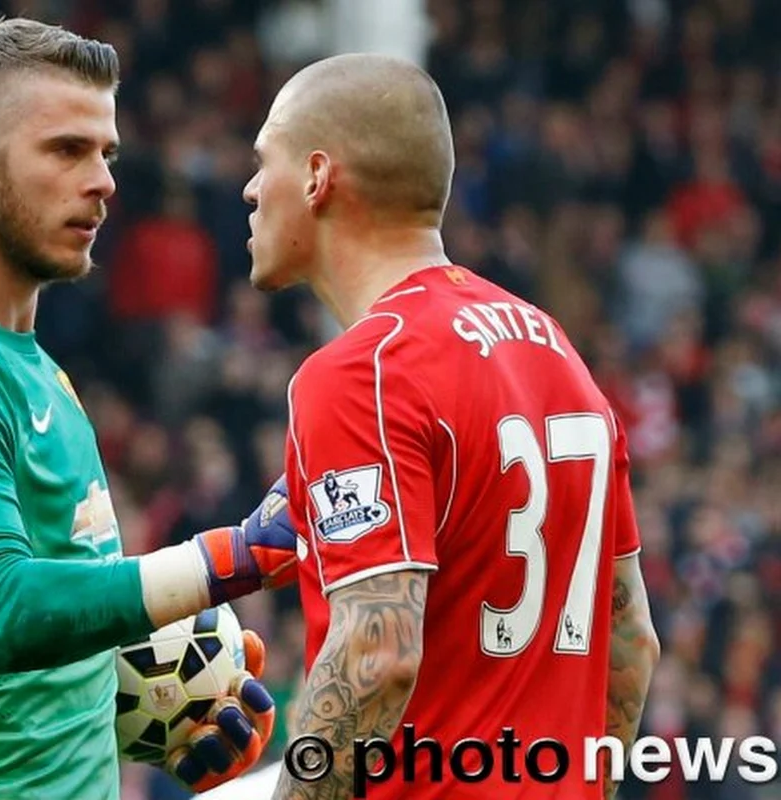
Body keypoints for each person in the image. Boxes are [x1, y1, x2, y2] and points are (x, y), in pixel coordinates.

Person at [0, 17, 298, 800]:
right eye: (66, 149)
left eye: (107, 154)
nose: (103, 181)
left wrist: (165, 699)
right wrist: (218, 562)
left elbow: (18, 657)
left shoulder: (31, 366)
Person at [242, 54, 661, 799]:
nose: (248, 190)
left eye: (261, 161)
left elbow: (377, 657)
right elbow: (631, 643)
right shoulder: (556, 348)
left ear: (316, 177)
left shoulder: (362, 372)